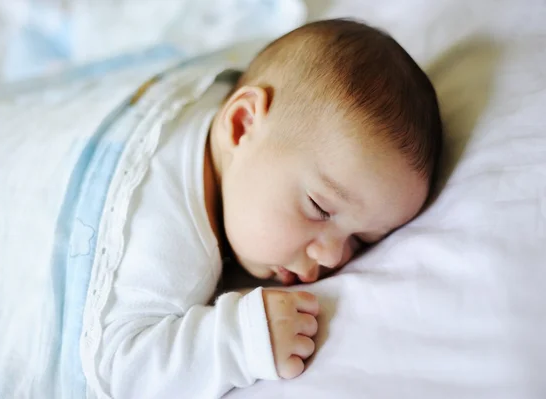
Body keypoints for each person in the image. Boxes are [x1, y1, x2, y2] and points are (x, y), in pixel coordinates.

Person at [86, 18, 442, 398]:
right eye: (320, 208)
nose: (333, 256)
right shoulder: (168, 227)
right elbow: (121, 371)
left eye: (362, 239)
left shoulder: (243, 120)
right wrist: (239, 340)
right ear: (241, 124)